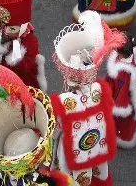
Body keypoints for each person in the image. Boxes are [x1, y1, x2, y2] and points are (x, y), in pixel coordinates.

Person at [51, 11, 123, 185]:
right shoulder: (100, 88)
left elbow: (56, 129)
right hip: (95, 141)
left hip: (74, 146)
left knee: (70, 169)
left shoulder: (64, 101)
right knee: (96, 162)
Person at [0, 0, 47, 90]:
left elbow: (24, 67)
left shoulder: (31, 41)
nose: (5, 31)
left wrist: (16, 52)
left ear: (23, 27)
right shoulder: (6, 33)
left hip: (23, 81)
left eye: (12, 29)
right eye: (5, 27)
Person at [105, 33, 136, 149]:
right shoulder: (132, 58)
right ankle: (127, 133)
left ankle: (121, 137)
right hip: (133, 95)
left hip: (123, 97)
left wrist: (116, 105)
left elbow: (122, 91)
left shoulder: (123, 72)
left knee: (121, 121)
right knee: (129, 120)